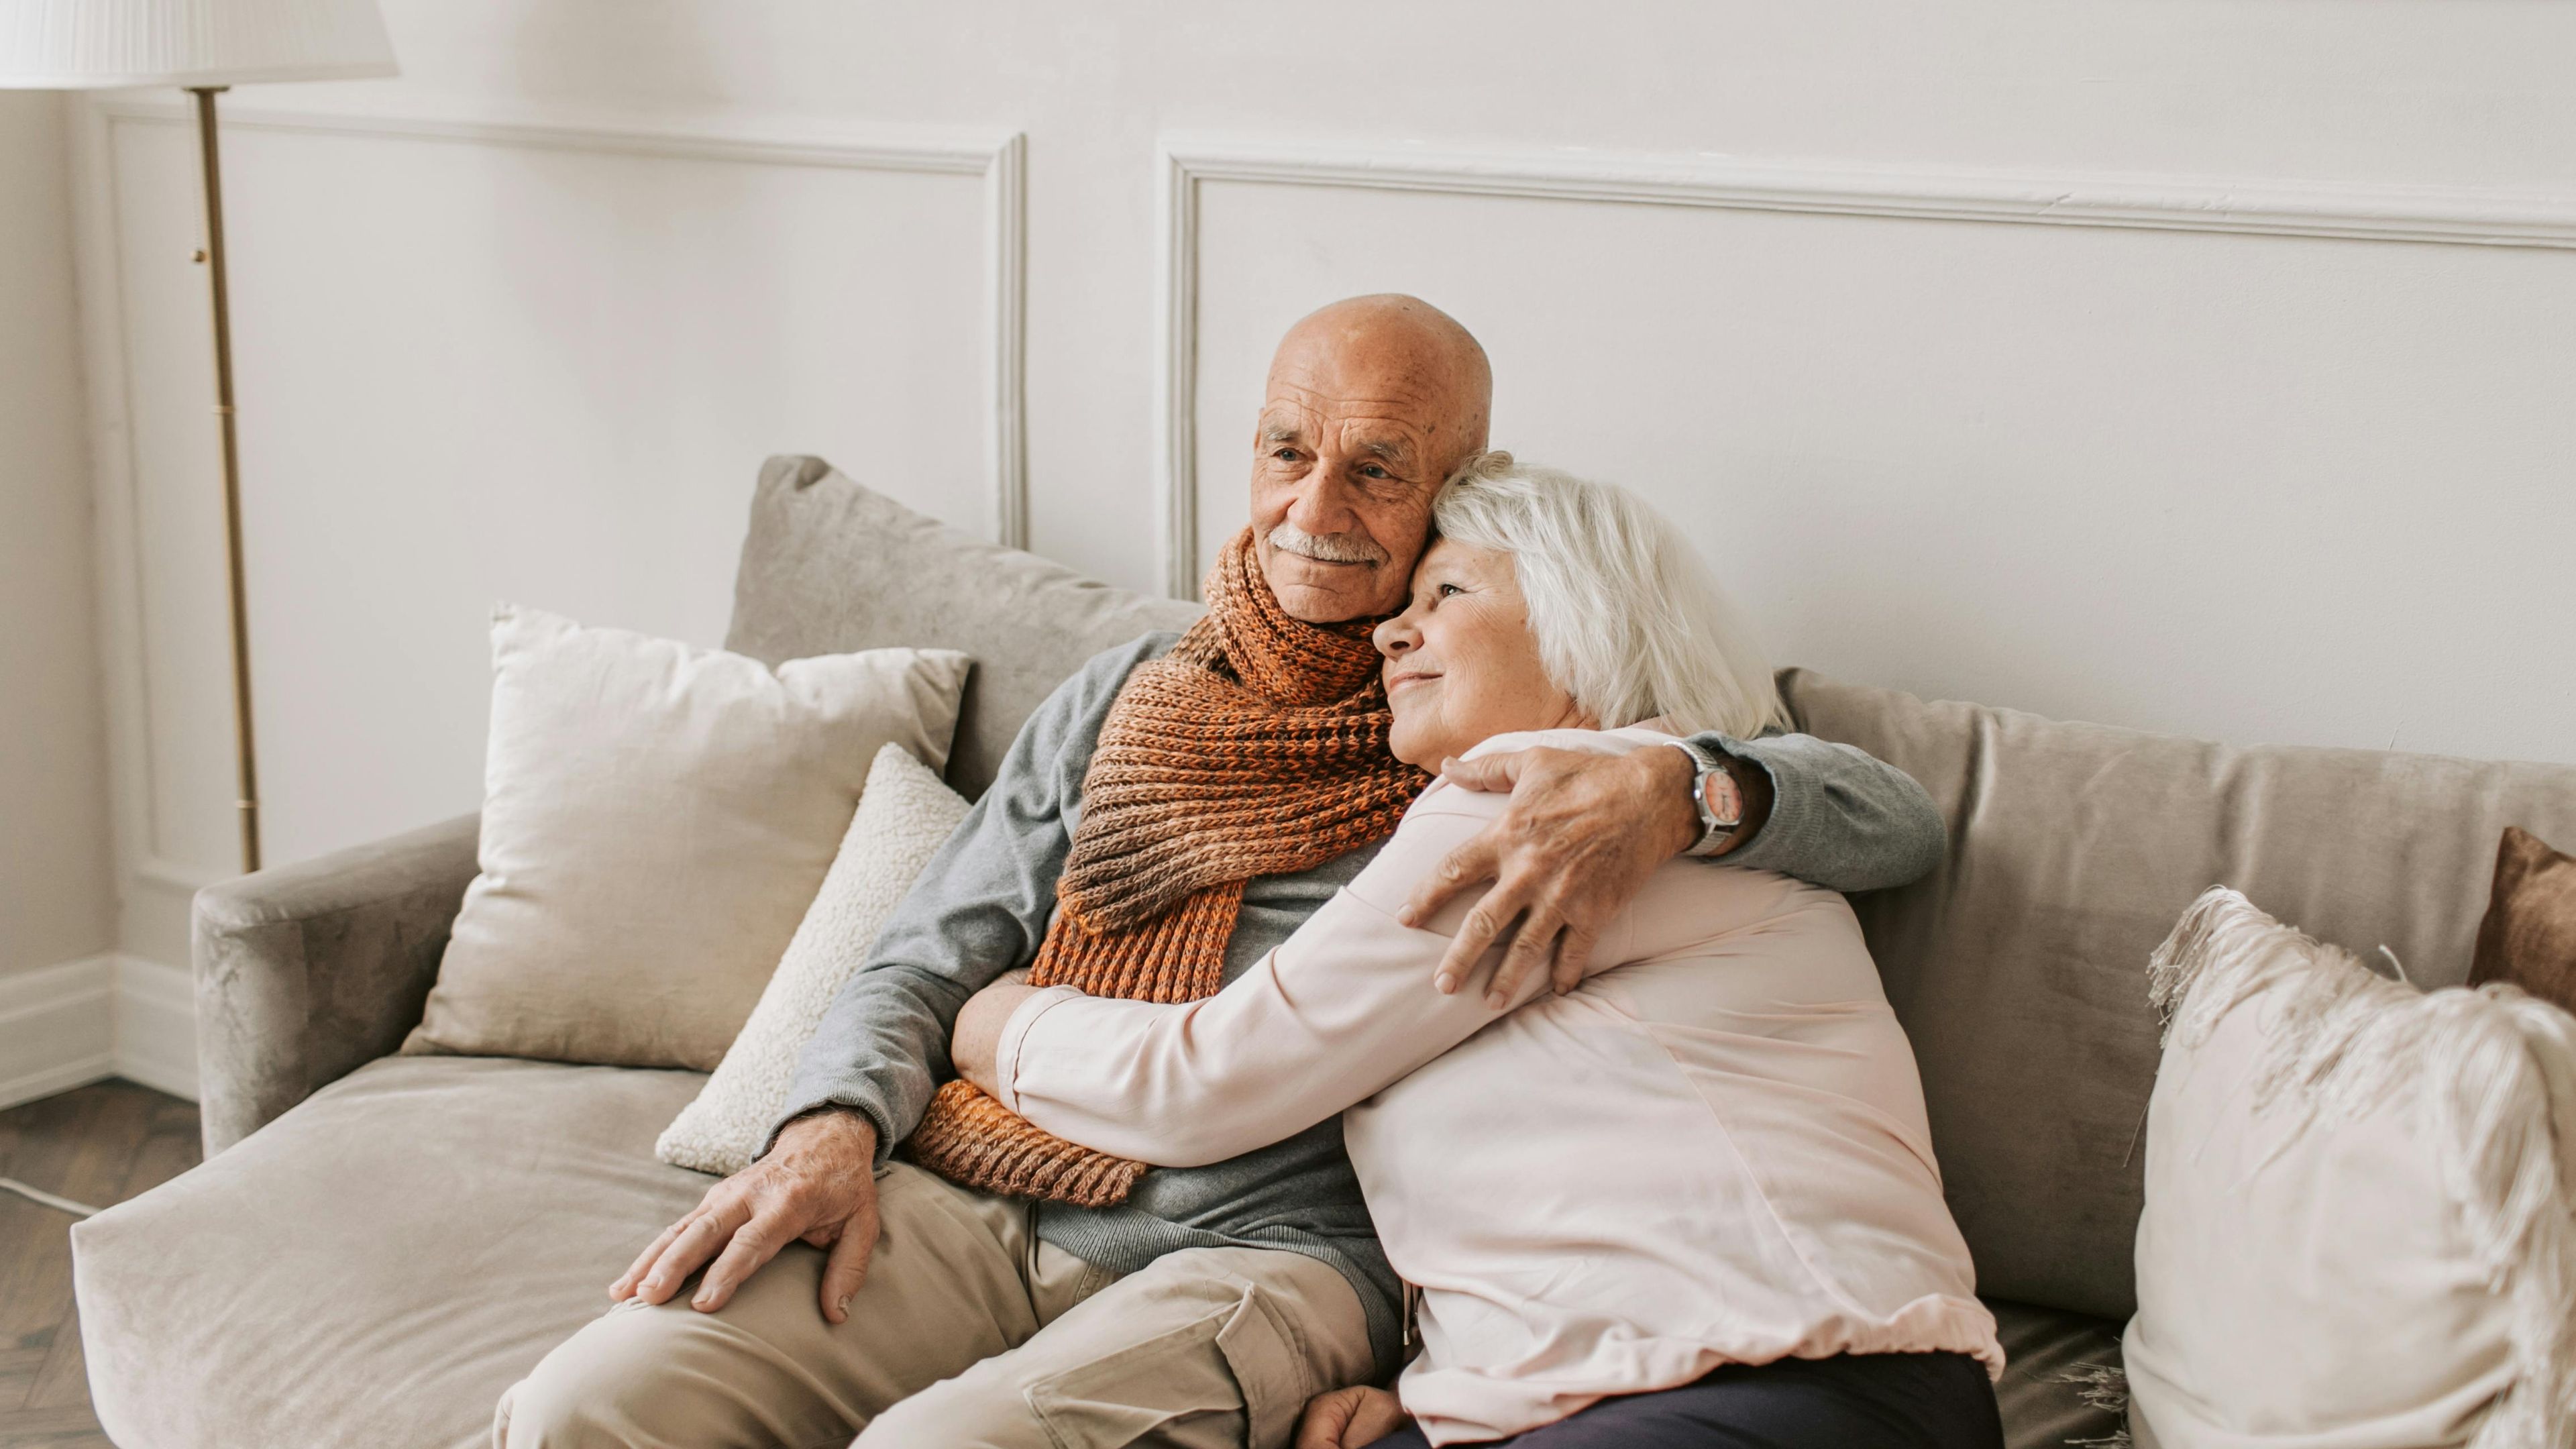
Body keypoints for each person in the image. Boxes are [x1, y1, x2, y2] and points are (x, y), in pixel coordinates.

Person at [496, 297, 1950, 1448]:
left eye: (1378, 470)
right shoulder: (1135, 690)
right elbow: (927, 951)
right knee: (592, 1408)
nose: (1315, 505)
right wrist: (824, 1130)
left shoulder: (1526, 762)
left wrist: (1681, 784)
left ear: (1455, 496)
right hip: (996, 1175)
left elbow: (1886, 818)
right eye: (1284, 451)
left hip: (1271, 1245)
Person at [951, 456, 2006, 1449]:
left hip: (1789, 1378)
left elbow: (1205, 1083)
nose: (1390, 636)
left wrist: (996, 1025)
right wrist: (1431, 1395)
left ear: (1583, 617)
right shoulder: (1652, 799)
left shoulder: (1546, 802)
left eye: (1446, 594)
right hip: (1693, 1389)